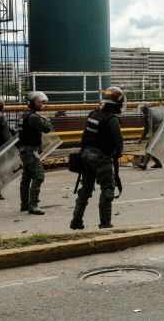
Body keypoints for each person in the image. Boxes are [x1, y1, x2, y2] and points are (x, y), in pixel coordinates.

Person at [70, 87, 125, 230]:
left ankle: (76, 220)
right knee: (107, 189)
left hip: (86, 155)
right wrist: (118, 153)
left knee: (86, 189)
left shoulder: (93, 114)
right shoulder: (112, 119)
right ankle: (105, 223)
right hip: (101, 158)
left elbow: (86, 134)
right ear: (118, 104)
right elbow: (119, 141)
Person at [18, 91, 53, 215]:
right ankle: (33, 205)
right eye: (39, 102)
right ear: (32, 103)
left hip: (24, 150)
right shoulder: (33, 117)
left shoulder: (24, 116)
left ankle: (24, 204)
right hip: (30, 151)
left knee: (26, 177)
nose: (42, 104)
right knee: (39, 176)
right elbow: (47, 129)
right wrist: (48, 120)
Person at [137, 102, 162, 170]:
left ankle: (144, 164)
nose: (142, 111)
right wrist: (141, 138)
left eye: (143, 109)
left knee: (149, 148)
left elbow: (160, 124)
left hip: (157, 133)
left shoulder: (153, 115)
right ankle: (158, 163)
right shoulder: (148, 116)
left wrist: (141, 138)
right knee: (150, 148)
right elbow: (147, 129)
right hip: (154, 134)